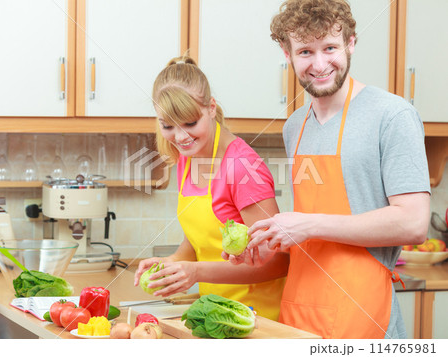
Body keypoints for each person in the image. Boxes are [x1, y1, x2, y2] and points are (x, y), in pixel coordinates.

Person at [235, 0, 431, 338]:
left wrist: (305, 225)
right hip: (300, 317)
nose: (320, 63)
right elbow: (314, 230)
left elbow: (413, 222)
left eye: (330, 47)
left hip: (364, 316)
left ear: (351, 43)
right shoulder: (294, 127)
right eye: (306, 52)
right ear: (288, 54)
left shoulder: (392, 116)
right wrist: (267, 244)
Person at [133, 56, 288, 321]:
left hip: (256, 320)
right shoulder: (187, 159)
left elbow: (278, 261)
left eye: (190, 123)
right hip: (215, 315)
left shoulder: (242, 168)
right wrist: (170, 264)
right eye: (168, 126)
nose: (180, 137)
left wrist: (197, 272)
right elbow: (196, 244)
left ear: (211, 108)